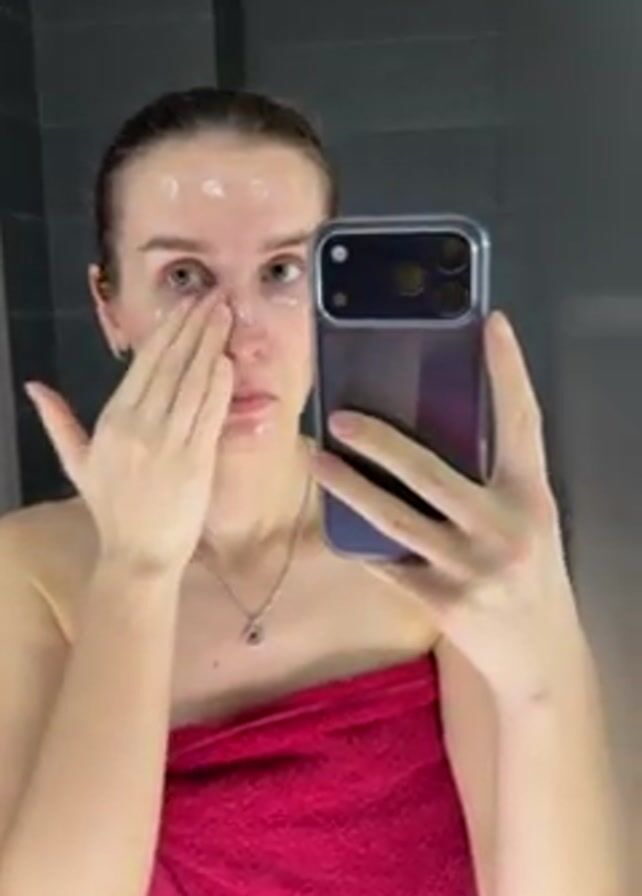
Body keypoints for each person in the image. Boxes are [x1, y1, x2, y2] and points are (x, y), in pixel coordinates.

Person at [0, 88, 624, 896]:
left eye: (283, 271)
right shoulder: (31, 574)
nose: (243, 331)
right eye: (184, 276)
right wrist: (135, 573)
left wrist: (547, 675)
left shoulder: (427, 542)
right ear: (110, 306)